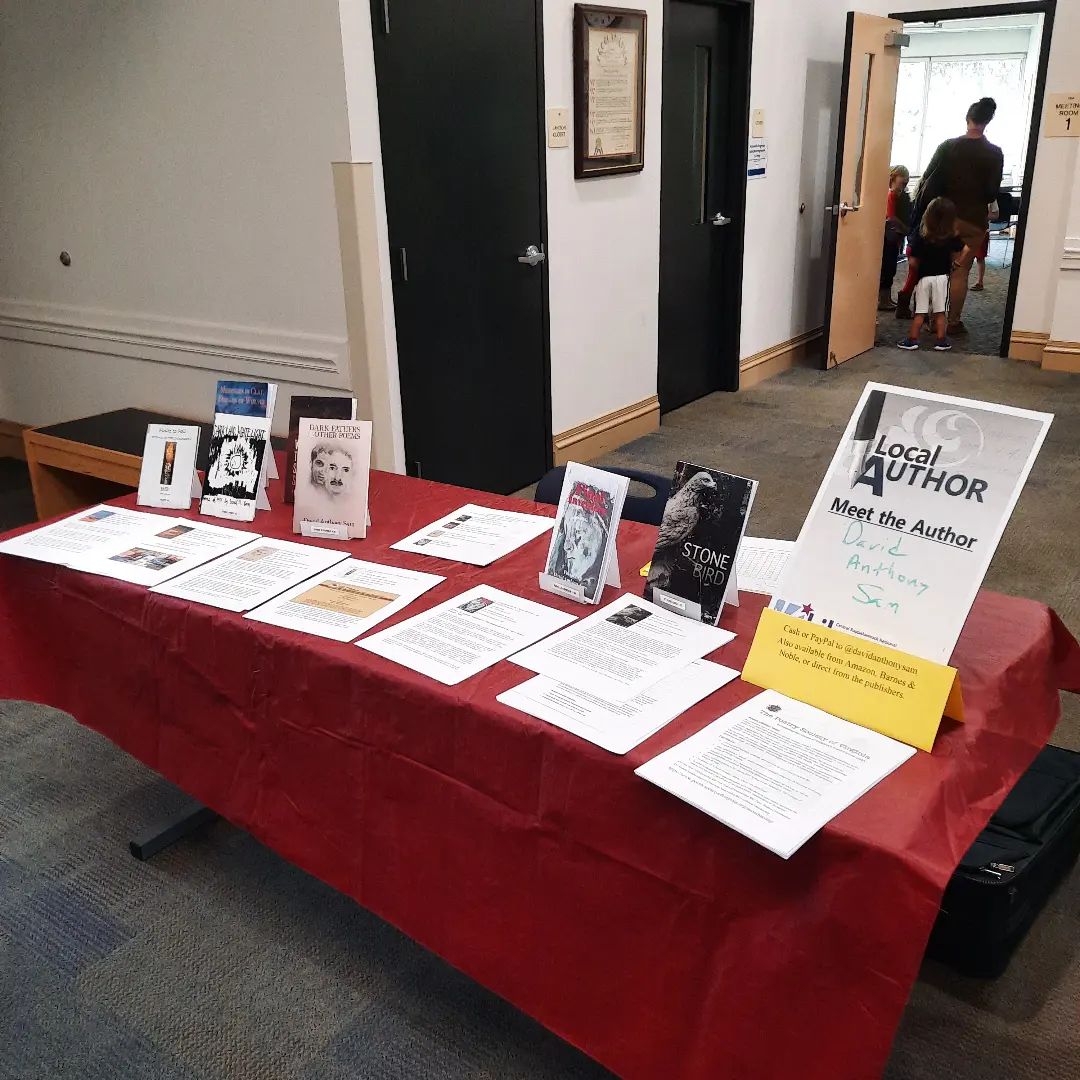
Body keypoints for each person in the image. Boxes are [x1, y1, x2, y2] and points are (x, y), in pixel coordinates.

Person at [895, 97, 1002, 333]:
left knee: (936, 268)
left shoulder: (948, 146)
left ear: (968, 118)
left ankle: (931, 318)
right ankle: (952, 322)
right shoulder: (994, 153)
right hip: (973, 220)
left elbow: (928, 180)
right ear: (988, 121)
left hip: (944, 215)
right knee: (960, 271)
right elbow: (992, 191)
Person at [897, 196, 965, 352]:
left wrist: (917, 266)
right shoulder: (951, 237)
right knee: (940, 311)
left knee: (920, 311)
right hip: (942, 278)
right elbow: (965, 249)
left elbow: (913, 261)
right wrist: (956, 263)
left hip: (924, 278)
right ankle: (941, 340)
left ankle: (912, 339)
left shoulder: (921, 237)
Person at [878, 166, 911, 310]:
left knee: (891, 268)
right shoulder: (891, 195)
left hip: (895, 238)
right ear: (894, 178)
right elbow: (891, 217)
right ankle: (883, 300)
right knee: (887, 268)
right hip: (890, 237)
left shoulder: (899, 196)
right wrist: (906, 229)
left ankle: (887, 298)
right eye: (902, 182)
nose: (904, 186)